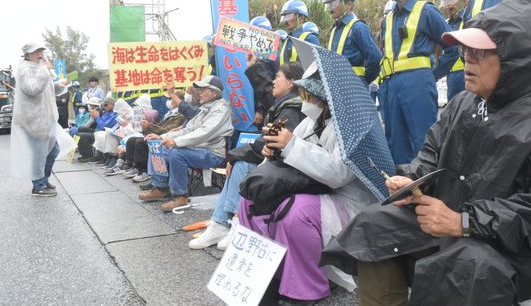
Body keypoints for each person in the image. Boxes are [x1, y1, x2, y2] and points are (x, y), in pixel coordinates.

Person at [321, 0, 531, 306]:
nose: (467, 59)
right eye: (465, 50)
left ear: (516, 58)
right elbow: (429, 160)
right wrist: (412, 180)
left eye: (479, 52)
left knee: (466, 267)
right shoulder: (462, 104)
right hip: (456, 219)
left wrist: (464, 222)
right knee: (374, 224)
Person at [238, 66, 377, 305]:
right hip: (314, 190)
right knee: (249, 201)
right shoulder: (311, 122)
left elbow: (338, 174)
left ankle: (308, 286)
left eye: (309, 94)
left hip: (346, 200)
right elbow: (294, 156)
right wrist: (273, 152)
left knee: (295, 212)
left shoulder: (354, 124)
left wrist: (290, 145)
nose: (305, 100)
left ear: (326, 97)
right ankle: (270, 273)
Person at [188, 62, 305, 250]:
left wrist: (234, 156)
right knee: (239, 162)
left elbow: (267, 141)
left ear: (291, 82)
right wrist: (255, 67)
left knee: (242, 164)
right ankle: (221, 223)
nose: (273, 82)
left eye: (277, 77)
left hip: (288, 170)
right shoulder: (285, 104)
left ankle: (236, 223)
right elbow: (266, 94)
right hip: (280, 164)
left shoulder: (291, 109)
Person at [379, 0, 452, 165]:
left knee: (423, 140)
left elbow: (452, 46)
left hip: (417, 83)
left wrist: (432, 73)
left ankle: (428, 191)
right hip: (391, 85)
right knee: (396, 142)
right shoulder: (388, 18)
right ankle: (403, 192)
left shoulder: (426, 11)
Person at [138, 75, 234, 212]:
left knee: (177, 153)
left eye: (203, 89)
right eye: (199, 89)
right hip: (197, 149)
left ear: (214, 92)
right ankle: (161, 188)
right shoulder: (205, 108)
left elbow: (204, 132)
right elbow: (188, 129)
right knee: (158, 146)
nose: (199, 92)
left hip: (212, 153)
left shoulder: (221, 109)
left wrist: (175, 142)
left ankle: (180, 196)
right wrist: (161, 137)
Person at [10, 42, 67, 196]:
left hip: (46, 119)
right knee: (39, 153)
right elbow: (33, 89)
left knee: (53, 151)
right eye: (36, 51)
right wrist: (44, 71)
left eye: (41, 51)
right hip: (33, 121)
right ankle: (38, 186)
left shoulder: (40, 68)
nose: (40, 54)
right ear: (27, 54)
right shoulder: (24, 70)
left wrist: (60, 86)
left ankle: (43, 179)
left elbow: (46, 90)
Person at [323, 0, 382, 88]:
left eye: (334, 3)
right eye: (329, 4)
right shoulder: (334, 30)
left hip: (355, 87)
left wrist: (363, 81)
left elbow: (375, 58)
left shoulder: (358, 27)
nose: (331, 8)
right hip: (337, 87)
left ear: (349, 4)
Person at [439, 0, 471, 101]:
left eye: (451, 1)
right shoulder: (444, 25)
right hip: (451, 77)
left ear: (465, 0)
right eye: (445, 1)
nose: (447, 5)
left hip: (468, 74)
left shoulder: (470, 20)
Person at [278, 0, 320, 65]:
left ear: (301, 18)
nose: (286, 21)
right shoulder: (287, 40)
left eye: (288, 16)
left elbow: (314, 68)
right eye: (285, 17)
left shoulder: (310, 39)